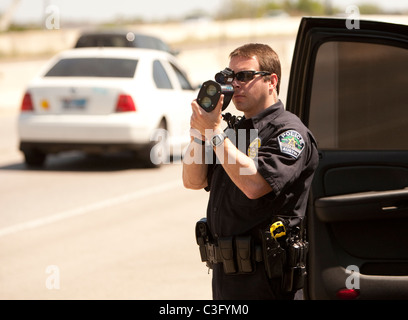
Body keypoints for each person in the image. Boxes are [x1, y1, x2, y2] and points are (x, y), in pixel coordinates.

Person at [182, 43, 319, 300]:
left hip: (267, 280)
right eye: (230, 76)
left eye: (244, 76)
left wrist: (214, 133)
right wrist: (199, 134)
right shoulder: (235, 133)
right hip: (227, 277)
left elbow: (255, 185)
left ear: (271, 81)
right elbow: (193, 180)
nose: (235, 84)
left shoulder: (289, 132)